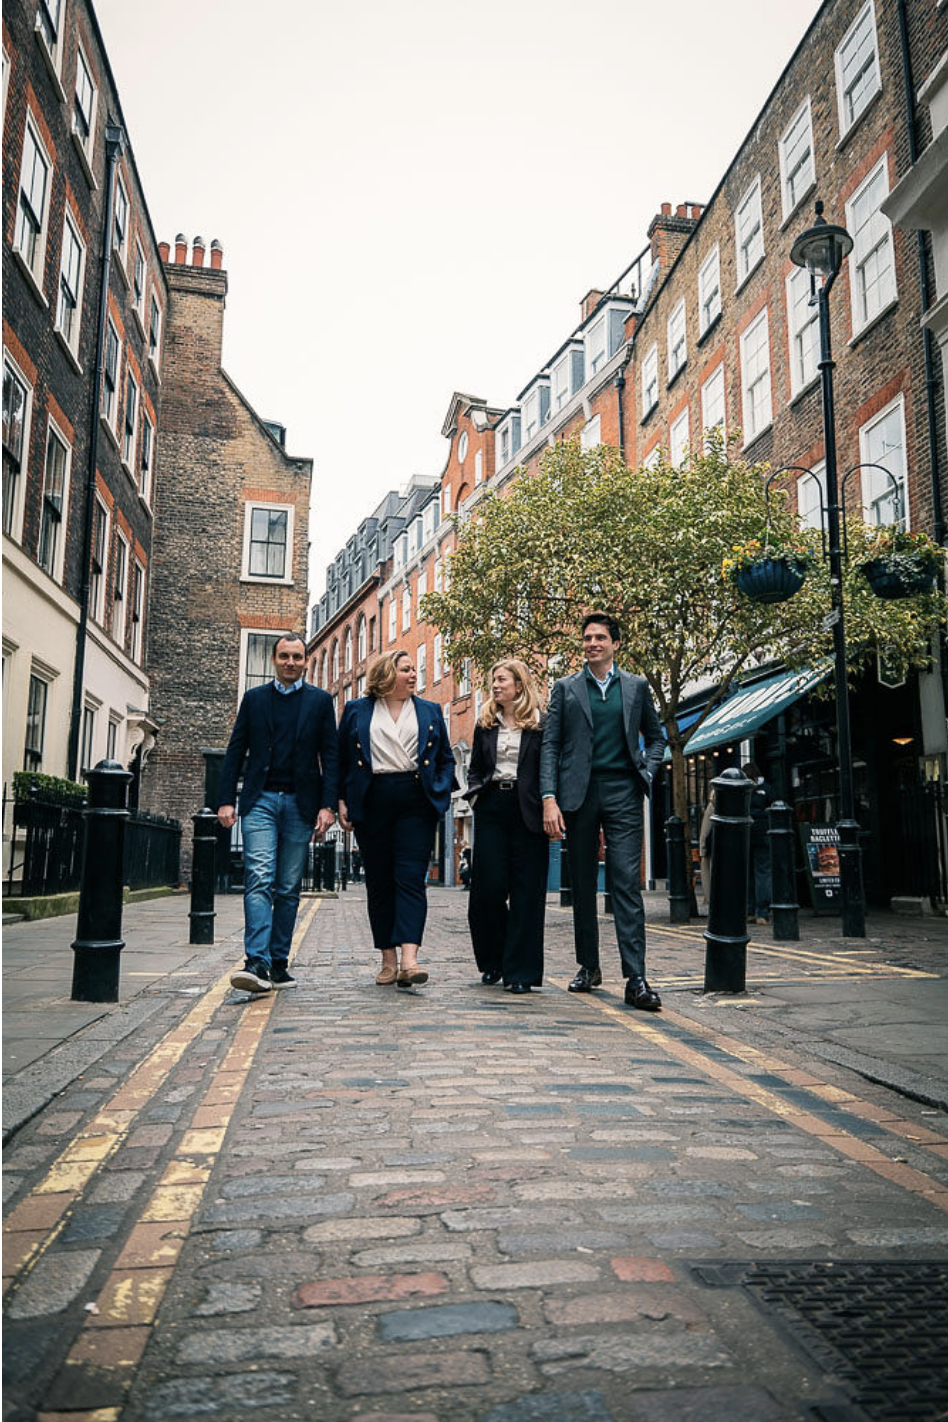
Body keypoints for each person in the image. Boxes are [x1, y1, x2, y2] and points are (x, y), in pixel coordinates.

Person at [540, 613, 665, 1010]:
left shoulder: (637, 687)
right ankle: (588, 966)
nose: (592, 643)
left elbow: (657, 737)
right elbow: (551, 746)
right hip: (578, 795)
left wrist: (646, 770)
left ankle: (636, 978)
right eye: (587, 638)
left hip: (624, 791)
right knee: (582, 886)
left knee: (626, 882)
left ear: (615, 644)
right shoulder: (565, 688)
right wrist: (549, 797)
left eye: (600, 637)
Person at [218, 633, 339, 993]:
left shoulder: (320, 702)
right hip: (261, 801)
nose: (290, 662)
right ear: (274, 660)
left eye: (297, 657)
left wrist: (328, 805)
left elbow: (330, 757)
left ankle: (278, 962)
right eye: (284, 656)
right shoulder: (254, 699)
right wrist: (226, 799)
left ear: (305, 661)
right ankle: (256, 959)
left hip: (301, 804)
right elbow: (235, 750)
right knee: (259, 878)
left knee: (287, 888)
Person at [337, 650, 454, 987]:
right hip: (372, 799)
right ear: (387, 674)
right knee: (380, 882)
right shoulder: (357, 711)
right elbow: (341, 760)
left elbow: (445, 758)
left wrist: (440, 792)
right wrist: (341, 799)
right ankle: (387, 960)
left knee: (411, 879)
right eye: (406, 670)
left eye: (414, 670)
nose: (413, 675)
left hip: (416, 800)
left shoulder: (429, 710)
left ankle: (409, 959)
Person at [464, 659, 548, 995]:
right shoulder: (485, 723)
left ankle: (521, 972)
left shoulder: (542, 723)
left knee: (527, 892)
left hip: (528, 809)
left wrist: (549, 804)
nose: (495, 685)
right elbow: (475, 767)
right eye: (493, 680)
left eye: (502, 679)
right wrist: (474, 797)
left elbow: (548, 767)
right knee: (489, 888)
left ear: (519, 684)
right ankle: (493, 961)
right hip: (492, 807)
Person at [744, 760, 776, 924]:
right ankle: (762, 913)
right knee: (763, 872)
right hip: (763, 833)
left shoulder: (743, 790)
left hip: (745, 833)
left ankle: (749, 911)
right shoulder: (768, 789)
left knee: (748, 872)